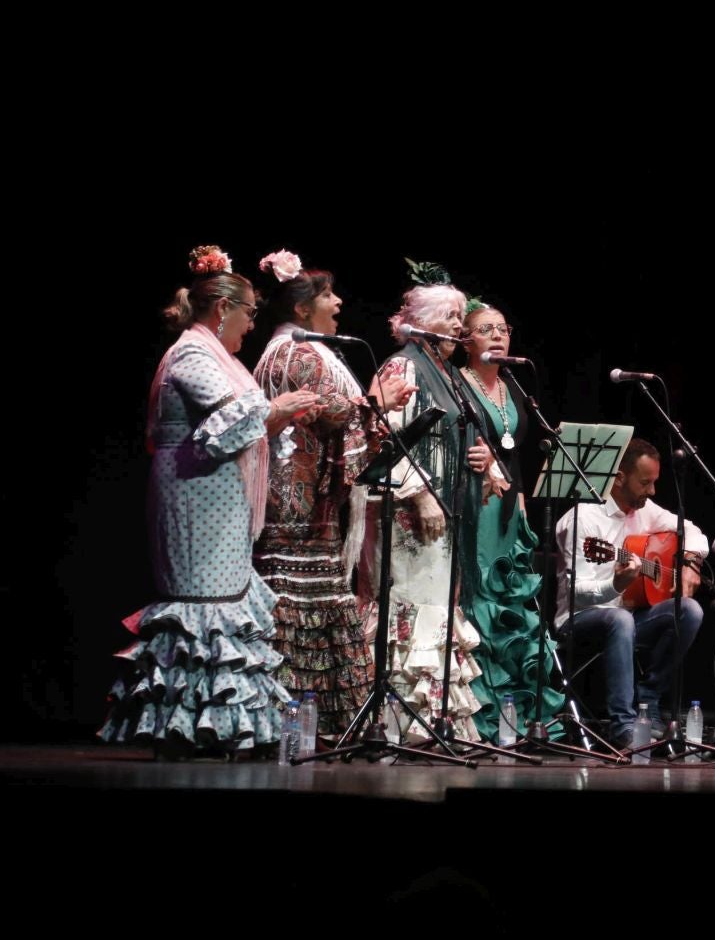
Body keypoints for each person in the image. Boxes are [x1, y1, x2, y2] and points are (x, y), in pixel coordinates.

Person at [100, 245, 318, 756]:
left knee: (224, 602)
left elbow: (241, 423)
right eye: (249, 313)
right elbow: (224, 428)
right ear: (223, 309)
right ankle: (190, 726)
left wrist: (278, 415)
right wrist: (275, 409)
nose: (251, 324)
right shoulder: (192, 353)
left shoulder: (218, 356)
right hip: (196, 494)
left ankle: (223, 726)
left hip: (217, 492)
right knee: (202, 607)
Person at [251, 249, 413, 739]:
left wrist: (369, 412)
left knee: (319, 603)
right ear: (302, 309)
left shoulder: (306, 349)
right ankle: (293, 722)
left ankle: (321, 721)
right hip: (296, 507)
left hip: (311, 507)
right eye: (327, 295)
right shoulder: (295, 353)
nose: (339, 302)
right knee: (298, 605)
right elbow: (328, 411)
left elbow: (335, 412)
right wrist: (374, 404)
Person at [364, 267, 484, 742]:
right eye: (450, 317)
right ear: (426, 320)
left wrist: (485, 460)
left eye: (460, 317)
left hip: (444, 513)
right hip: (407, 515)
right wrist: (418, 493)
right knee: (410, 610)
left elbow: (456, 432)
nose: (460, 325)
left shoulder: (448, 374)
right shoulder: (403, 366)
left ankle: (432, 726)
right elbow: (378, 434)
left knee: (437, 610)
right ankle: (393, 726)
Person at [454, 299, 564, 742]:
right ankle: (483, 713)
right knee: (481, 594)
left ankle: (520, 714)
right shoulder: (456, 385)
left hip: (506, 505)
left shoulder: (513, 386)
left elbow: (512, 449)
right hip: (474, 501)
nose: (498, 336)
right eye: (486, 329)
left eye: (503, 328)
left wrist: (518, 496)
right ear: (465, 340)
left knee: (512, 599)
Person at [551, 439, 708, 748]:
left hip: (630, 614)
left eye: (654, 483)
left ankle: (648, 698)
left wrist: (690, 562)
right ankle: (623, 725)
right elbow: (575, 593)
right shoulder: (582, 520)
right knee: (619, 618)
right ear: (619, 478)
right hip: (578, 619)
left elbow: (691, 530)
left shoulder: (645, 509)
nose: (651, 492)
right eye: (645, 483)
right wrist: (616, 585)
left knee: (690, 610)